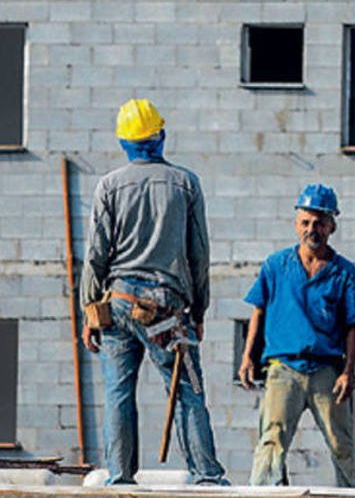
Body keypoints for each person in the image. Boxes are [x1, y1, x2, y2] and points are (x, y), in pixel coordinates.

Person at [79, 98, 227, 486]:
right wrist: (199, 311)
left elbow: (96, 255)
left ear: (124, 142)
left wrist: (88, 312)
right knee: (187, 392)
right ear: (160, 136)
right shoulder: (185, 182)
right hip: (167, 308)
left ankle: (120, 476)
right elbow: (199, 254)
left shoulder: (108, 185)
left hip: (118, 303)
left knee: (118, 394)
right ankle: (206, 475)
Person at [238, 184, 355, 487]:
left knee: (342, 445)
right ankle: (261, 494)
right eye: (306, 222)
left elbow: (353, 326)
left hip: (326, 369)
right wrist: (248, 357)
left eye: (320, 223)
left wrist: (348, 372)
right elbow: (258, 311)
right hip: (283, 368)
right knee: (271, 442)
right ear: (296, 224)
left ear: (332, 226)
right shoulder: (276, 265)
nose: (313, 229)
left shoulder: (344, 272)